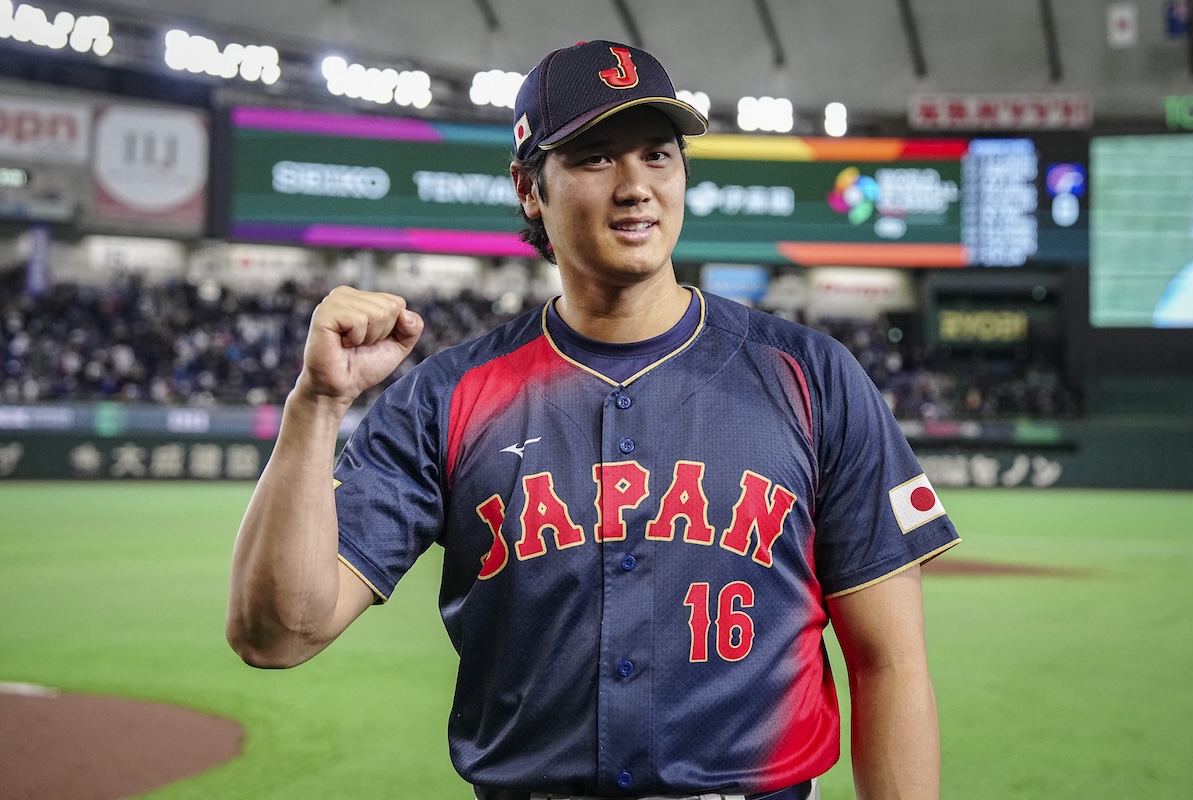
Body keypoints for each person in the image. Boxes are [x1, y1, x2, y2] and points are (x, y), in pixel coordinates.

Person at [226, 39, 961, 800]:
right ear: (528, 189)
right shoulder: (447, 397)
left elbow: (892, 664)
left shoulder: (811, 377)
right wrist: (315, 407)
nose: (637, 186)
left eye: (658, 154)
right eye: (595, 158)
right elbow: (278, 634)